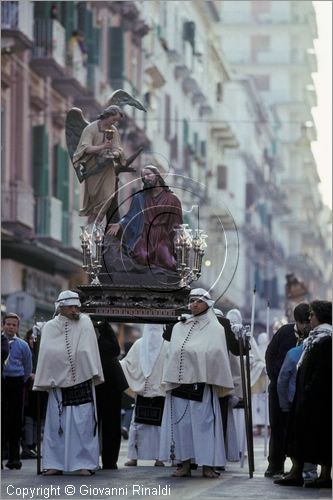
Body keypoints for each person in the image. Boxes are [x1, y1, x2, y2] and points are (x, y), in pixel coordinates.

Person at [159, 288, 234, 478]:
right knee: (181, 426)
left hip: (202, 385)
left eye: (198, 301)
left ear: (207, 304)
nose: (194, 304)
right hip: (180, 385)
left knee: (204, 426)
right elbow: (171, 353)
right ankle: (184, 464)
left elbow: (216, 355)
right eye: (191, 301)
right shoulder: (179, 327)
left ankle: (207, 465)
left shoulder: (215, 328)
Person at [33, 291, 104, 476]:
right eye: (71, 307)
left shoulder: (85, 322)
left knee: (84, 425)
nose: (75, 310)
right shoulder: (49, 327)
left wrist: (78, 364)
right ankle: (54, 464)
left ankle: (85, 463)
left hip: (82, 380)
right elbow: (48, 353)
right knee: (57, 426)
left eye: (77, 306)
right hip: (57, 383)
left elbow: (86, 350)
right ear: (61, 308)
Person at [275, 300, 332, 488]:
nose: (309, 318)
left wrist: (308, 390)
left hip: (318, 398)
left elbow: (322, 371)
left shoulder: (327, 338)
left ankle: (324, 476)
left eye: (312, 314)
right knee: (297, 435)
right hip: (305, 396)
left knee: (321, 437)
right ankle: (295, 472)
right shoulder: (314, 337)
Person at [107, 165, 183, 271]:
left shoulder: (172, 200)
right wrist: (119, 224)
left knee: (168, 263)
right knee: (141, 257)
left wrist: (177, 239)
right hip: (144, 236)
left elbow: (177, 225)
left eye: (148, 174)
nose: (146, 178)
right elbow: (130, 216)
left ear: (157, 175)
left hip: (163, 238)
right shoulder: (139, 198)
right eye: (143, 176)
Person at [264, 302, 310, 478]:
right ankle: (275, 464)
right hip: (278, 388)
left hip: (300, 391)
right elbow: (270, 355)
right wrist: (277, 378)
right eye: (303, 323)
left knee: (299, 428)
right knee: (277, 427)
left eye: (308, 322)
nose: (306, 326)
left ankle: (299, 467)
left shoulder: (312, 337)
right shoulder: (284, 332)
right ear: (296, 321)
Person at [120, 324, 167, 467]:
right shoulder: (139, 344)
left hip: (160, 393)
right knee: (137, 427)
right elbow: (128, 364)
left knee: (159, 428)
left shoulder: (167, 345)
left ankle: (160, 457)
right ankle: (134, 457)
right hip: (143, 393)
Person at [73, 105, 125, 224]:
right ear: (107, 116)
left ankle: (96, 226)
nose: (115, 123)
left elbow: (118, 148)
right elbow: (85, 148)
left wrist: (115, 154)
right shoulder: (91, 129)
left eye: (116, 121)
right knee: (94, 198)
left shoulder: (114, 130)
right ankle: (90, 227)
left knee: (108, 197)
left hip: (107, 169)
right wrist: (103, 147)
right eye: (114, 119)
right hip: (93, 168)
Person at [95, 320, 128, 470]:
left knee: (106, 424)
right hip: (109, 385)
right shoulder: (107, 338)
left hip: (107, 385)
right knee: (110, 424)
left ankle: (106, 459)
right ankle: (109, 460)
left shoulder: (101, 339)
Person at [2, 313, 32, 470]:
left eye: (14, 325)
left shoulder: (23, 345)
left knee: (15, 421)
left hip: (16, 382)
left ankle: (14, 459)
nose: (10, 327)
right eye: (8, 324)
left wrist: (21, 380)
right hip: (1, 381)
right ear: (3, 325)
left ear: (17, 327)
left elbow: (28, 366)